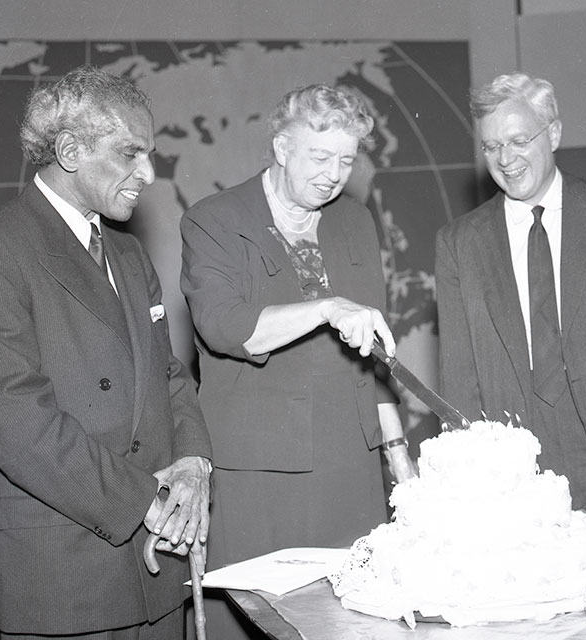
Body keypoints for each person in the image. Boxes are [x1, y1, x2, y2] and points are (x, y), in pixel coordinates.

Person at [0, 65, 213, 639]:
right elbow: (18, 421)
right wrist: (149, 499)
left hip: (158, 566)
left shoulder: (127, 252)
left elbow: (169, 373)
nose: (147, 173)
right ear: (69, 150)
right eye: (129, 154)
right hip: (68, 580)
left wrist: (194, 464)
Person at [180, 84, 417, 639]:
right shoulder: (215, 220)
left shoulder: (355, 220)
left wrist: (398, 456)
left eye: (347, 159)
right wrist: (328, 307)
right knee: (259, 624)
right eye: (320, 156)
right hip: (258, 471)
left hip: (350, 468)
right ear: (282, 148)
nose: (334, 174)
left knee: (352, 622)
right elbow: (225, 328)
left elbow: (373, 354)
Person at [434, 72, 586, 540]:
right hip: (516, 483)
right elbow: (459, 377)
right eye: (490, 147)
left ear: (555, 134)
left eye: (519, 140)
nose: (505, 159)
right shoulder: (459, 243)